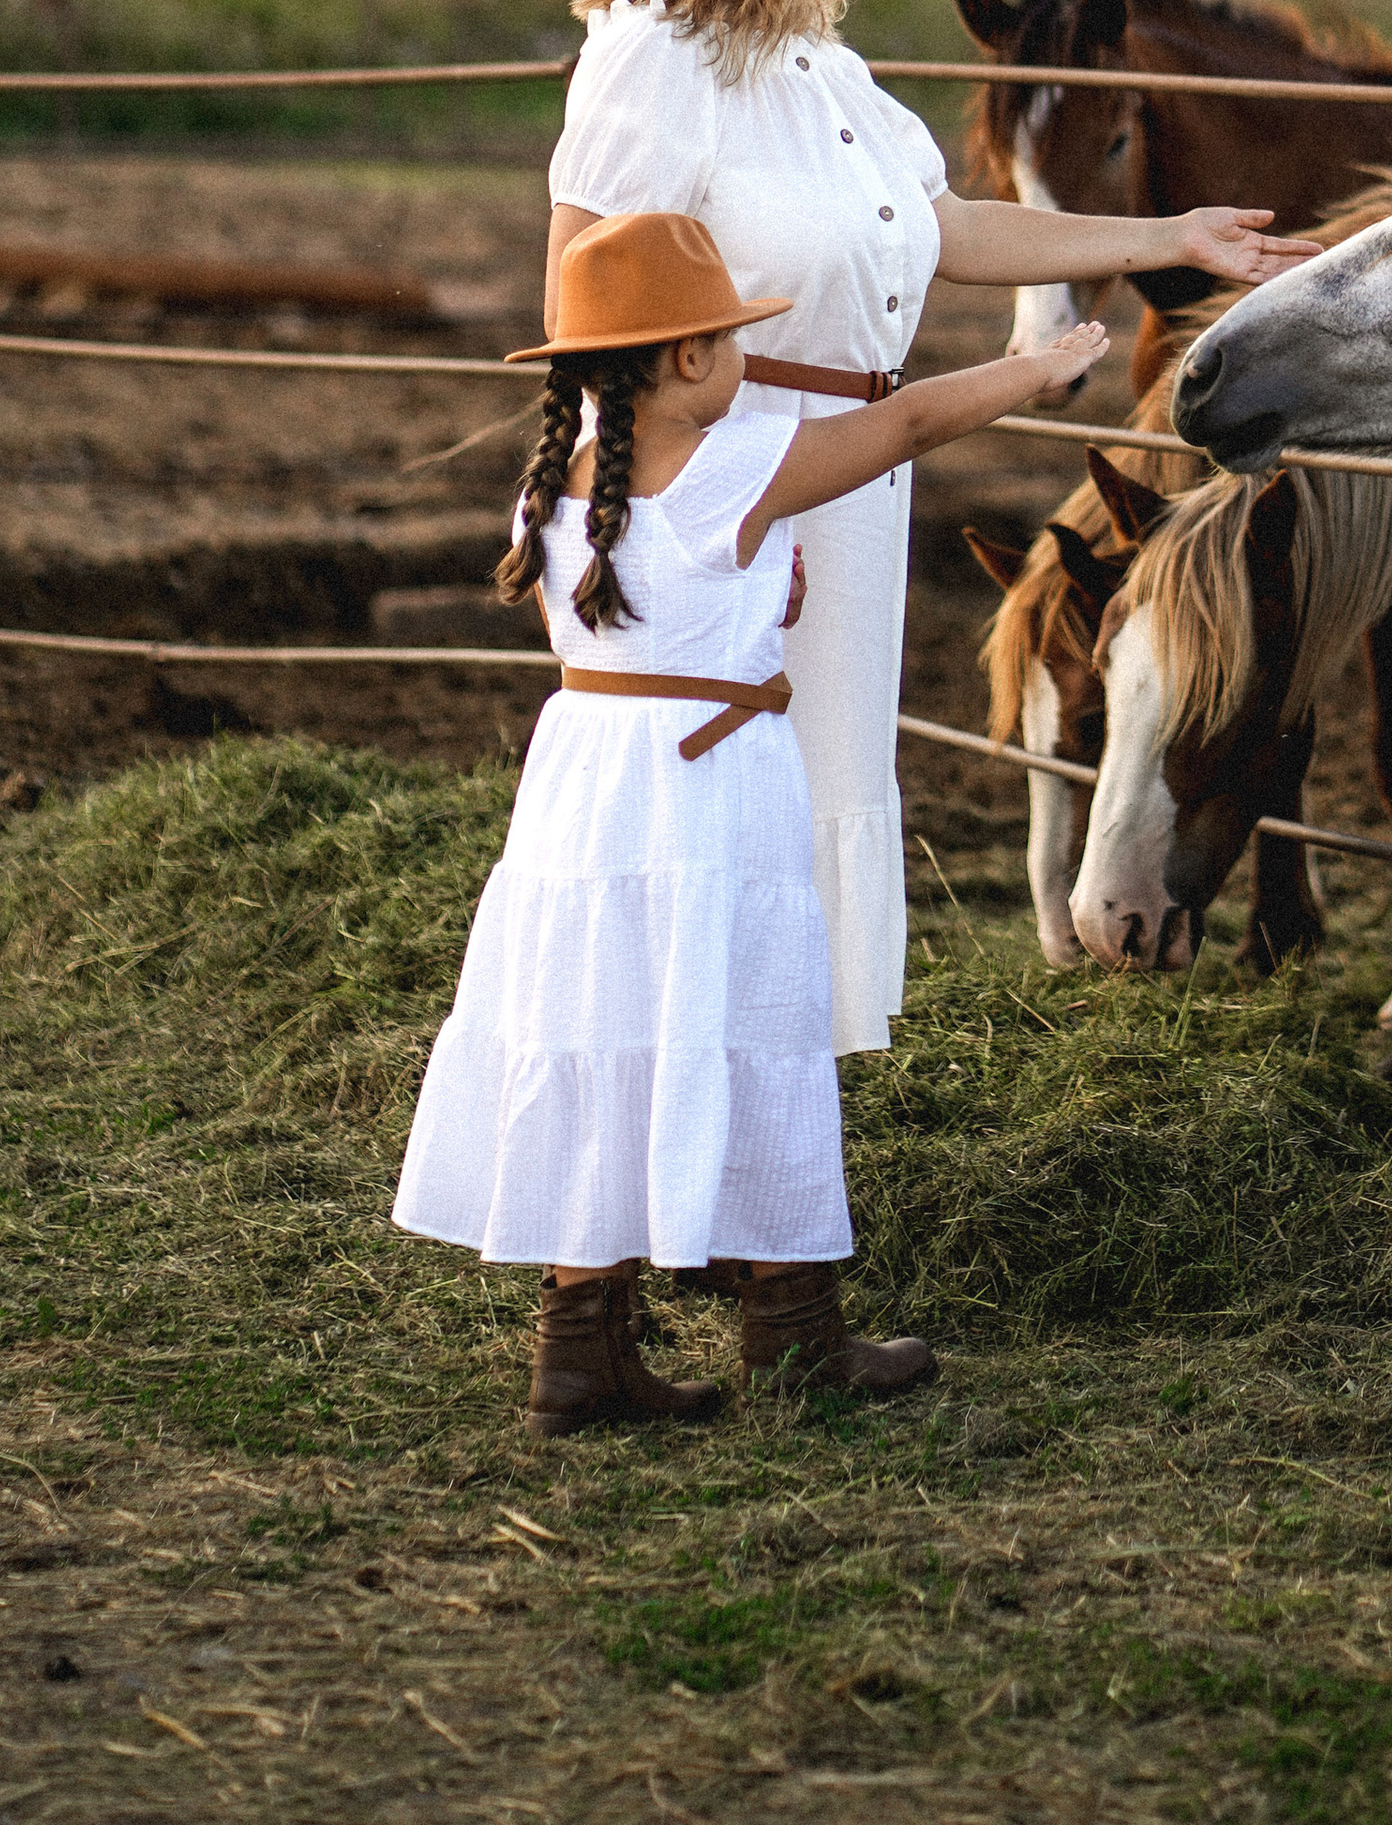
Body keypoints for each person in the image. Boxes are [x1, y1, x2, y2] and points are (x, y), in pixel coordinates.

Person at [542, 0, 1314, 1061]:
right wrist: (662, 508)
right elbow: (585, 297)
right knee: (712, 793)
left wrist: (1164, 239)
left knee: (823, 778)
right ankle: (669, 1132)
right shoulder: (648, 61)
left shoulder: (823, 75)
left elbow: (942, 228)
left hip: (848, 484)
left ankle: (772, 1137)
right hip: (727, 472)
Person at [392, 204, 1108, 1433]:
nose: (744, 361)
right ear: (685, 359)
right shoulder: (732, 467)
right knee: (757, 1020)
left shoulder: (552, 486)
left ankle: (580, 1349)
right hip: (709, 787)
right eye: (729, 340)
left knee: (603, 1035)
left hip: (585, 792)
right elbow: (904, 423)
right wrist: (1036, 369)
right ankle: (791, 1334)